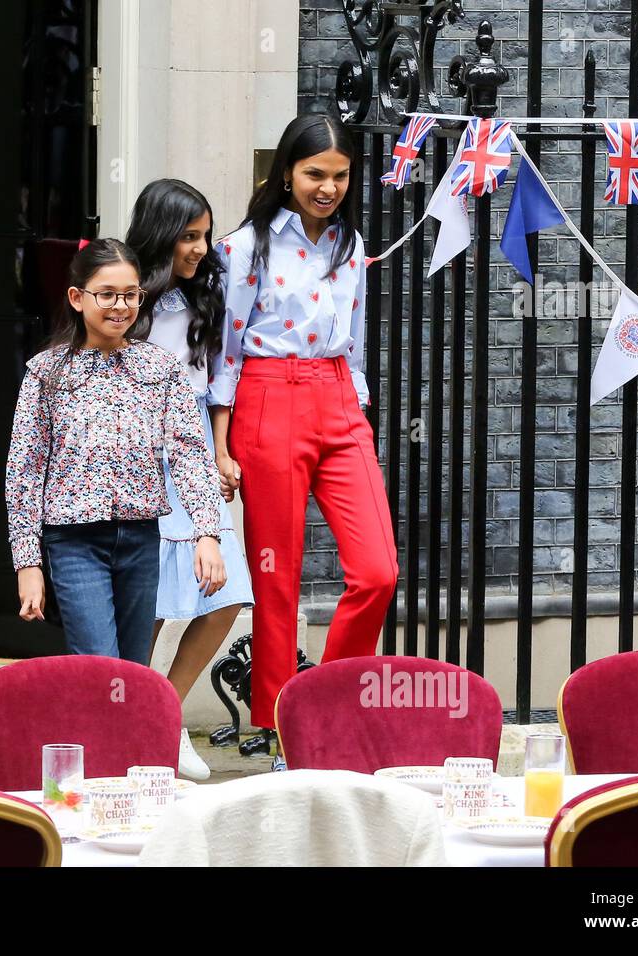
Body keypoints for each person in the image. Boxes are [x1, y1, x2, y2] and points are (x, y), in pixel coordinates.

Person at [208, 115, 399, 765]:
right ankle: (289, 729)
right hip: (268, 398)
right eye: (315, 173)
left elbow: (360, 340)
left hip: (340, 400)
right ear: (286, 174)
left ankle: (331, 701)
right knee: (276, 579)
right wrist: (221, 443)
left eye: (340, 175)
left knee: (378, 570)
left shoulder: (352, 246)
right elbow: (225, 353)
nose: (328, 186)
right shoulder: (244, 248)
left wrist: (357, 410)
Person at [6, 238, 227, 667]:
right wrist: (27, 564)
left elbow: (189, 454)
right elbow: (24, 473)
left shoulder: (160, 368)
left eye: (130, 294)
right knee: (99, 665)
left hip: (141, 538)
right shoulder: (46, 373)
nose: (120, 306)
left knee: (133, 672)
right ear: (77, 297)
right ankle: (88, 737)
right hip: (73, 542)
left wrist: (207, 532)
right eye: (106, 294)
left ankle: (124, 738)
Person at [126, 179, 254, 780]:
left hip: (196, 451)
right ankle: (130, 726)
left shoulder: (208, 297)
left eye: (205, 235)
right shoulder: (129, 300)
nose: (202, 248)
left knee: (228, 594)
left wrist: (222, 451)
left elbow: (221, 378)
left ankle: (163, 714)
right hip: (139, 460)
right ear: (160, 235)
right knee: (147, 602)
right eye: (189, 237)